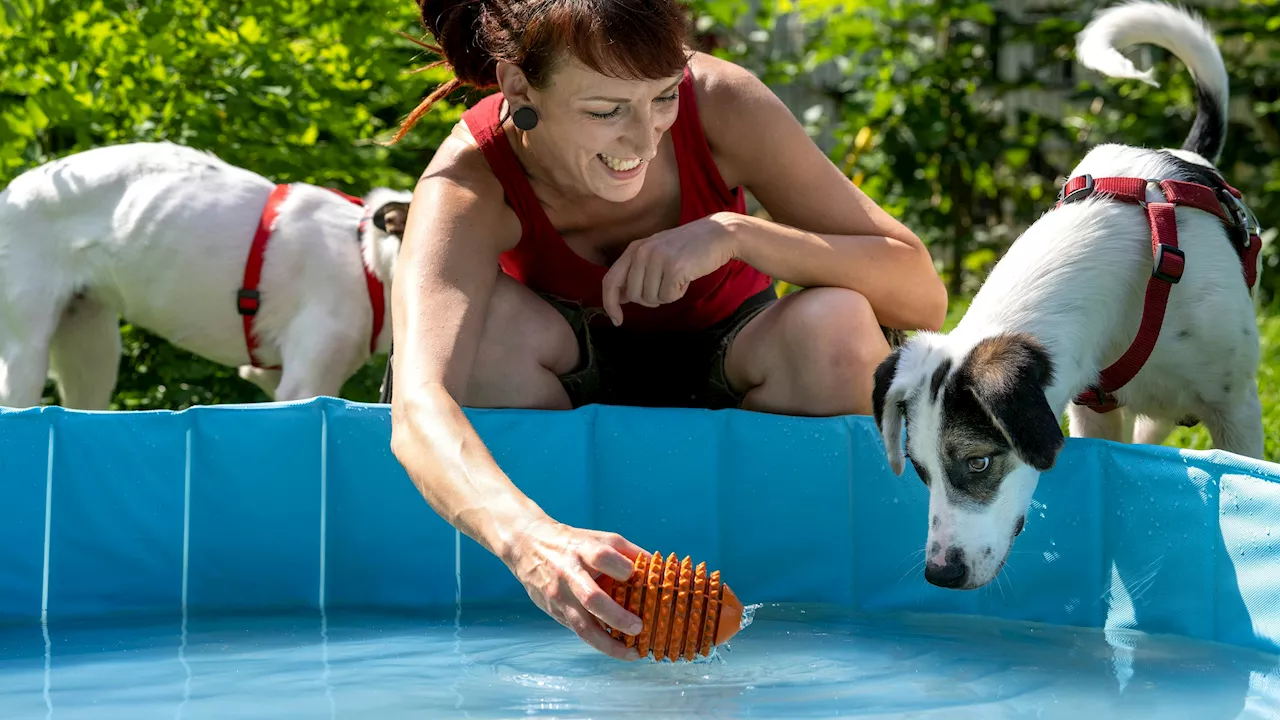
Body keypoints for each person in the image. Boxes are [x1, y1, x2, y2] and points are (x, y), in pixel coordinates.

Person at [384, 0, 947, 660]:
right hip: (565, 397)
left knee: (839, 324)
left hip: (741, 363)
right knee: (485, 339)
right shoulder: (468, 180)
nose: (644, 138)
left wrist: (735, 234)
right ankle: (554, 588)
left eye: (662, 97)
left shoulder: (720, 102)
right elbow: (417, 408)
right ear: (517, 88)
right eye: (604, 111)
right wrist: (529, 540)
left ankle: (810, 606)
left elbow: (922, 296)